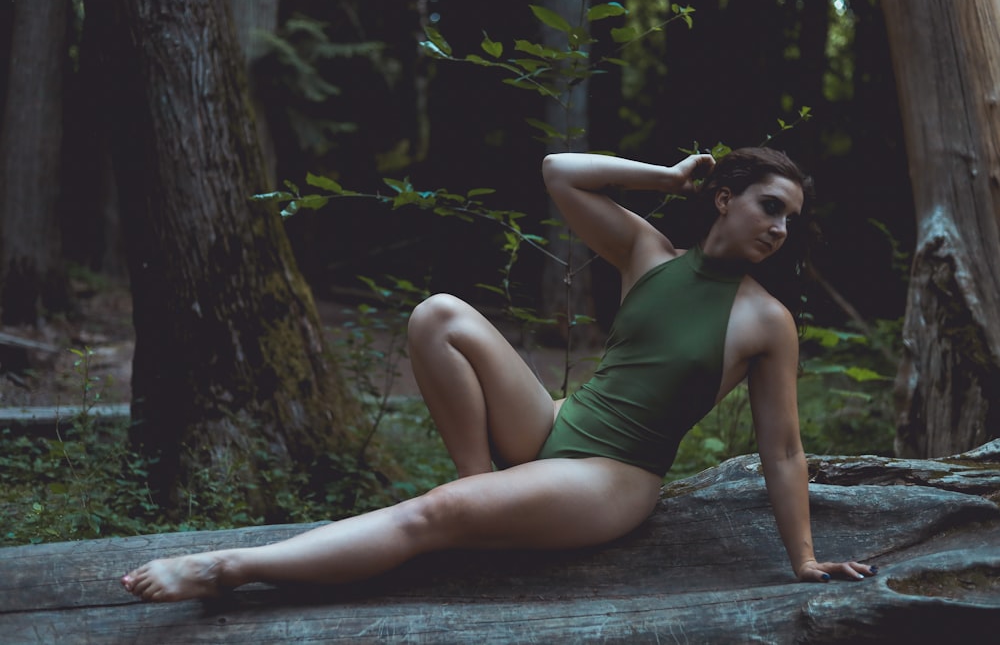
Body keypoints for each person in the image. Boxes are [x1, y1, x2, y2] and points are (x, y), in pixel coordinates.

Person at [121, 148, 876, 602]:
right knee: (437, 314)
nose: (780, 228)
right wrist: (667, 177)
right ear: (723, 198)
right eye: (770, 207)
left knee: (429, 515)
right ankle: (478, 494)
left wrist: (804, 558)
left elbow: (783, 449)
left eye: (791, 219)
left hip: (612, 476)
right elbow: (560, 173)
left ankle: (224, 568)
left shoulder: (766, 320)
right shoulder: (650, 254)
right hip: (555, 422)